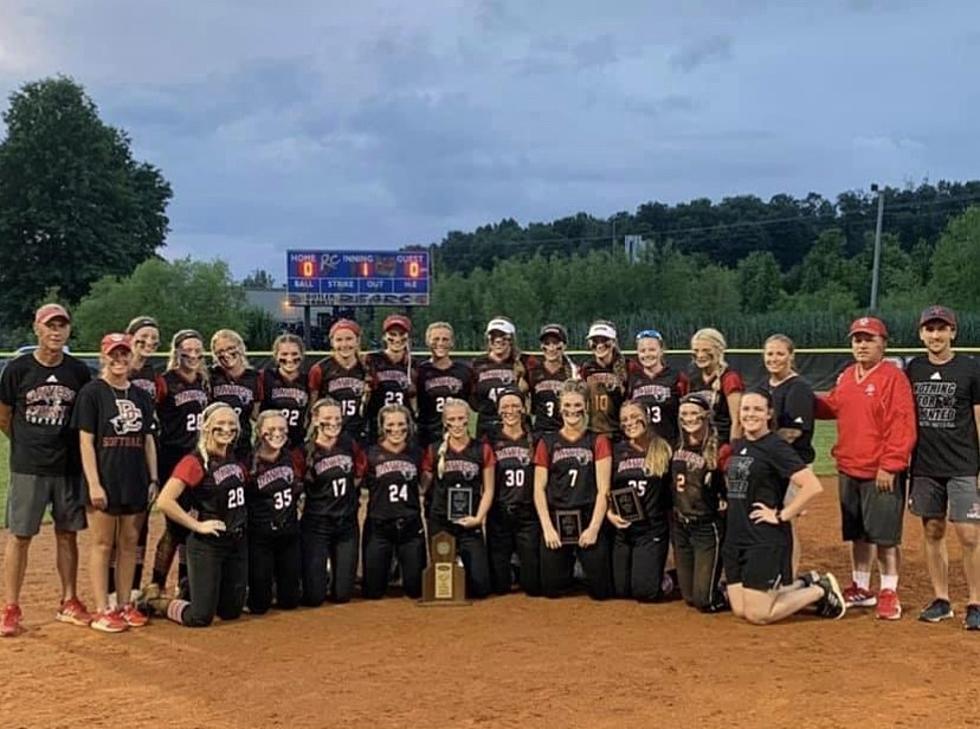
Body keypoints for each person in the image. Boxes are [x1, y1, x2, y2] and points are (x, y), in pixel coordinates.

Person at [815, 316, 917, 620]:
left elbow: (903, 424)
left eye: (868, 338)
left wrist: (891, 465)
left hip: (879, 470)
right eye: (857, 339)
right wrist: (800, 398)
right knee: (858, 533)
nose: (861, 344)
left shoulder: (893, 378)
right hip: (849, 466)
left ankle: (889, 591)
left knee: (885, 537)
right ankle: (861, 586)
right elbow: (833, 406)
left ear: (882, 344)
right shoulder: (848, 375)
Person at [1, 304, 92, 637]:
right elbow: (4, 415)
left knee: (67, 533)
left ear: (68, 331)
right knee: (21, 535)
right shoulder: (17, 370)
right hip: (29, 466)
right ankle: (10, 606)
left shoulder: (79, 371)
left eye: (61, 326)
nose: (56, 332)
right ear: (37, 329)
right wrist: (27, 443)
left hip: (67, 465)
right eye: (49, 326)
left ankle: (69, 599)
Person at [724, 391, 846, 624]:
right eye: (746, 409)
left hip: (763, 537)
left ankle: (820, 590)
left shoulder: (775, 446)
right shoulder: (739, 444)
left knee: (758, 615)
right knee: (740, 609)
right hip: (736, 535)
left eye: (758, 409)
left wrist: (782, 515)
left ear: (769, 414)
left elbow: (811, 485)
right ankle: (804, 582)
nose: (751, 414)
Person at [74, 333, 158, 632]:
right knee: (101, 544)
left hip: (134, 476)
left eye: (125, 354)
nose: (120, 360)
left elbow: (148, 439)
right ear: (103, 356)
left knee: (128, 543)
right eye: (114, 354)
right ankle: (101, 607)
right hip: (105, 476)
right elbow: (85, 442)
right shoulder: (92, 393)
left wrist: (153, 478)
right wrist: (94, 484)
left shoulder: (140, 395)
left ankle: (124, 604)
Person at [905, 306, 980, 630]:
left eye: (942, 329)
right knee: (932, 531)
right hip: (925, 465)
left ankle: (975, 602)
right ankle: (941, 599)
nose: (935, 335)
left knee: (969, 534)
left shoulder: (970, 369)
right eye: (929, 329)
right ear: (921, 334)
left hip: (962, 463)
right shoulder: (913, 369)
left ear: (953, 332)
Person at [140, 403, 248, 627]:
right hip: (208, 543)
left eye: (231, 424)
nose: (227, 429)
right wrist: (197, 526)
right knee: (200, 617)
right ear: (206, 427)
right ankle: (158, 603)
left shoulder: (232, 455)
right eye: (220, 424)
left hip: (234, 542)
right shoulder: (195, 461)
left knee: (231, 612)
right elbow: (164, 501)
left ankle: (193, 587)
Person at [533, 379, 613, 600]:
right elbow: (539, 488)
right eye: (567, 406)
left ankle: (583, 567)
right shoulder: (547, 442)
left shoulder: (597, 440)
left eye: (578, 405)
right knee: (551, 589)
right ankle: (571, 568)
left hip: (588, 515)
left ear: (586, 406)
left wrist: (594, 528)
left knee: (601, 592)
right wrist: (547, 528)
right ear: (560, 408)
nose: (572, 411)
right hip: (558, 516)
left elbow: (603, 488)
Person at [147, 329, 210, 595]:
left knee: (193, 519)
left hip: (198, 457)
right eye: (187, 349)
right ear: (177, 351)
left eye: (198, 349)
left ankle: (185, 583)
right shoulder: (164, 381)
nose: (193, 354)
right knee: (175, 524)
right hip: (172, 456)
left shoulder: (205, 381)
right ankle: (156, 584)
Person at [108, 314, 160, 607]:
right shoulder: (116, 371)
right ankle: (109, 592)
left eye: (154, 338)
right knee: (114, 531)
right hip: (117, 454)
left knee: (139, 528)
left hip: (146, 454)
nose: (149, 342)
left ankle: (133, 590)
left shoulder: (156, 375)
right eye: (143, 336)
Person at [422, 399, 494, 598]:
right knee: (441, 589)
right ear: (445, 422)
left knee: (480, 589)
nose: (457, 424)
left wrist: (478, 519)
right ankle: (454, 563)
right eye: (451, 419)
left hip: (469, 522)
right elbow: (423, 488)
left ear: (468, 420)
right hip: (441, 522)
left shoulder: (482, 449)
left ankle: (464, 564)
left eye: (461, 418)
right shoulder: (434, 450)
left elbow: (488, 490)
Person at [759, 334, 815, 578]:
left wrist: (760, 450)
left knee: (786, 521)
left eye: (780, 353)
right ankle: (774, 572)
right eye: (770, 353)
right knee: (771, 518)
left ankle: (789, 576)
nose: (774, 358)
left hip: (793, 466)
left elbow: (792, 431)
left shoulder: (798, 387)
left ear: (791, 356)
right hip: (772, 466)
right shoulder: (765, 386)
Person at [301, 398, 366, 606]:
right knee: (314, 598)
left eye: (337, 418)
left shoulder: (348, 443)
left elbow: (358, 473)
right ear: (315, 419)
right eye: (327, 418)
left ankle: (331, 575)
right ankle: (316, 576)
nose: (333, 423)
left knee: (343, 595)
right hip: (317, 523)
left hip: (346, 522)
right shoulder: (305, 451)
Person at [361, 405, 429, 599]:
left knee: (416, 590)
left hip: (409, 525)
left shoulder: (417, 453)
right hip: (379, 525)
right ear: (382, 427)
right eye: (390, 424)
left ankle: (401, 568)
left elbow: (424, 484)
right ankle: (388, 568)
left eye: (401, 424)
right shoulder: (370, 454)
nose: (396, 429)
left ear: (408, 426)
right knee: (373, 592)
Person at [607, 401, 672, 602]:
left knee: (645, 593)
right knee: (621, 591)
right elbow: (605, 489)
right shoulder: (616, 451)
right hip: (624, 529)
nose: (630, 422)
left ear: (646, 417)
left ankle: (667, 578)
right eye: (624, 419)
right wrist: (610, 514)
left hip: (651, 529)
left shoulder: (663, 448)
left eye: (635, 416)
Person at [670, 393, 729, 612]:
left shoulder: (719, 449)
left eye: (694, 413)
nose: (689, 418)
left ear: (705, 416)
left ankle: (730, 591)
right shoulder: (675, 443)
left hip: (706, 526)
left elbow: (729, 489)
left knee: (704, 601)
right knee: (689, 597)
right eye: (684, 413)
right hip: (680, 527)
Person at [245, 411, 304, 614]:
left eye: (281, 429)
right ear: (260, 431)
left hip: (288, 533)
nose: (277, 433)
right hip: (260, 535)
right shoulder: (248, 462)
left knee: (290, 602)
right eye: (271, 429)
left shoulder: (293, 457)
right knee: (260, 605)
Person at [486, 389, 541, 595]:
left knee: (533, 586)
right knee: (499, 587)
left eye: (515, 406)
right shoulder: (490, 439)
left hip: (527, 512)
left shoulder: (535, 439)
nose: (511, 410)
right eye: (505, 406)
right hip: (499, 513)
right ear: (498, 410)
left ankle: (521, 569)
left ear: (524, 408)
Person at [415, 322, 473, 448]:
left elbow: (471, 402)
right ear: (427, 341)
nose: (440, 343)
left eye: (445, 339)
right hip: (428, 434)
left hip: (457, 433)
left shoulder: (464, 371)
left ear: (452, 342)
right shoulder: (420, 371)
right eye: (436, 339)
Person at [308, 320, 368, 442]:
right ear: (332, 342)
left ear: (358, 341)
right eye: (339, 340)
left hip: (359, 431)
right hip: (330, 431)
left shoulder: (366, 367)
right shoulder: (320, 369)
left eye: (349, 339)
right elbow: (313, 405)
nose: (344, 344)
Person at [470, 316, 529, 439]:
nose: (498, 340)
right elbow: (472, 399)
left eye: (502, 336)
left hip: (517, 427)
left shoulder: (525, 362)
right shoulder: (478, 363)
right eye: (493, 336)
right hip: (486, 425)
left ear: (511, 339)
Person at [626, 328, 688, 443]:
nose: (647, 354)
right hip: (642, 444)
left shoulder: (676, 377)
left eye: (652, 350)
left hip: (669, 442)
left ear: (661, 350)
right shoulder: (632, 379)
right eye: (642, 351)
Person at [363, 314, 417, 444]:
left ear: (408, 337)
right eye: (392, 334)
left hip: (402, 426)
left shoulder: (413, 364)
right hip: (377, 423)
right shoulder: (372, 360)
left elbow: (415, 399)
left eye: (401, 334)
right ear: (384, 337)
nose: (397, 338)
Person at [210, 329, 260, 461]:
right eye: (220, 351)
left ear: (241, 348)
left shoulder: (255, 377)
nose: (226, 354)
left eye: (231, 348)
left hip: (242, 444)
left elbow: (256, 414)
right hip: (216, 444)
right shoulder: (210, 376)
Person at [688, 328, 744, 444]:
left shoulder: (729, 378)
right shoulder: (694, 378)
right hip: (700, 443)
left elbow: (737, 420)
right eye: (696, 350)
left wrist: (733, 449)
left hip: (722, 442)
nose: (700, 355)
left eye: (706, 350)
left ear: (719, 350)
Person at [259, 333, 309, 452]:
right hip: (270, 441)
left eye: (294, 354)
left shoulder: (307, 380)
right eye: (284, 354)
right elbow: (256, 411)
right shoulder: (265, 377)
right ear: (276, 356)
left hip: (297, 441)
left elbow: (311, 410)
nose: (289, 359)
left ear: (302, 355)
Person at [580, 320, 628, 440]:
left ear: (613, 342)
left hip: (619, 433)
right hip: (592, 433)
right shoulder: (585, 369)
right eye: (595, 341)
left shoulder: (628, 367)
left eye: (604, 340)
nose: (600, 345)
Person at [526, 323, 576, 436]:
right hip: (540, 432)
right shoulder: (534, 372)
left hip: (565, 431)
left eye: (555, 343)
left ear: (564, 345)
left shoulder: (573, 372)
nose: (551, 348)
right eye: (547, 343)